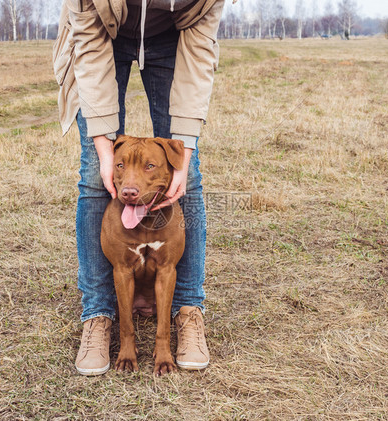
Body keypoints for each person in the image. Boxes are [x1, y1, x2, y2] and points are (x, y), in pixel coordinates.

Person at [53, 0, 227, 375]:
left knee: (188, 176)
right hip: (101, 34)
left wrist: (186, 150)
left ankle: (187, 308)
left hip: (175, 37)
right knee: (93, 177)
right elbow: (87, 38)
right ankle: (99, 315)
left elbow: (199, 57)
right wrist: (103, 147)